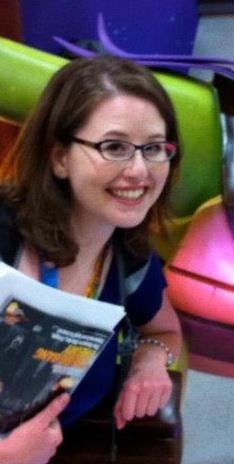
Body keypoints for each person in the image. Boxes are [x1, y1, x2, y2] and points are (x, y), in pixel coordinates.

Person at [0, 55, 182, 463]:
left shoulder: (131, 260)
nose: (140, 170)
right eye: (114, 147)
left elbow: (166, 332)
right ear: (59, 157)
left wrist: (151, 359)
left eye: (154, 148)